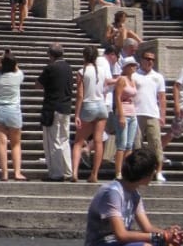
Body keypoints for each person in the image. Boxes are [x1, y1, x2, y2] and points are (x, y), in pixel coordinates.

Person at [37, 43, 73, 182]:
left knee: (53, 141)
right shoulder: (68, 68)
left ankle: (56, 173)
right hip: (65, 107)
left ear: (50, 55)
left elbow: (38, 84)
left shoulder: (50, 68)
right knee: (64, 139)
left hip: (52, 108)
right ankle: (68, 170)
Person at [0, 49, 25, 182]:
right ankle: (17, 172)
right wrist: (10, 59)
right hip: (13, 110)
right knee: (15, 143)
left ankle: (4, 173)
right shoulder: (18, 76)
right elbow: (16, 68)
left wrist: (1, 59)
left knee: (1, 143)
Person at [72, 44, 107, 184]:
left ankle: (74, 173)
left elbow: (80, 95)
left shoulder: (82, 71)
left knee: (78, 142)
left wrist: (77, 114)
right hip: (101, 105)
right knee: (98, 141)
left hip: (88, 105)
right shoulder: (102, 71)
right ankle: (94, 174)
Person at [133, 50, 168, 183]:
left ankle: (158, 171)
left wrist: (162, 115)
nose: (150, 61)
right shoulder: (135, 75)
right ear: (141, 60)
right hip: (137, 113)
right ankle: (139, 171)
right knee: (137, 145)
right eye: (147, 58)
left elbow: (162, 98)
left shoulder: (158, 77)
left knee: (156, 144)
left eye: (152, 59)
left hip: (152, 113)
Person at [111, 54, 139, 181]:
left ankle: (126, 169)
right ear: (126, 67)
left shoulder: (132, 80)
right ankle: (118, 171)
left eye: (134, 65)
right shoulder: (122, 79)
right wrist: (121, 115)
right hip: (123, 112)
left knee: (129, 144)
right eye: (131, 66)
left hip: (132, 112)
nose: (134, 68)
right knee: (121, 144)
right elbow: (117, 96)